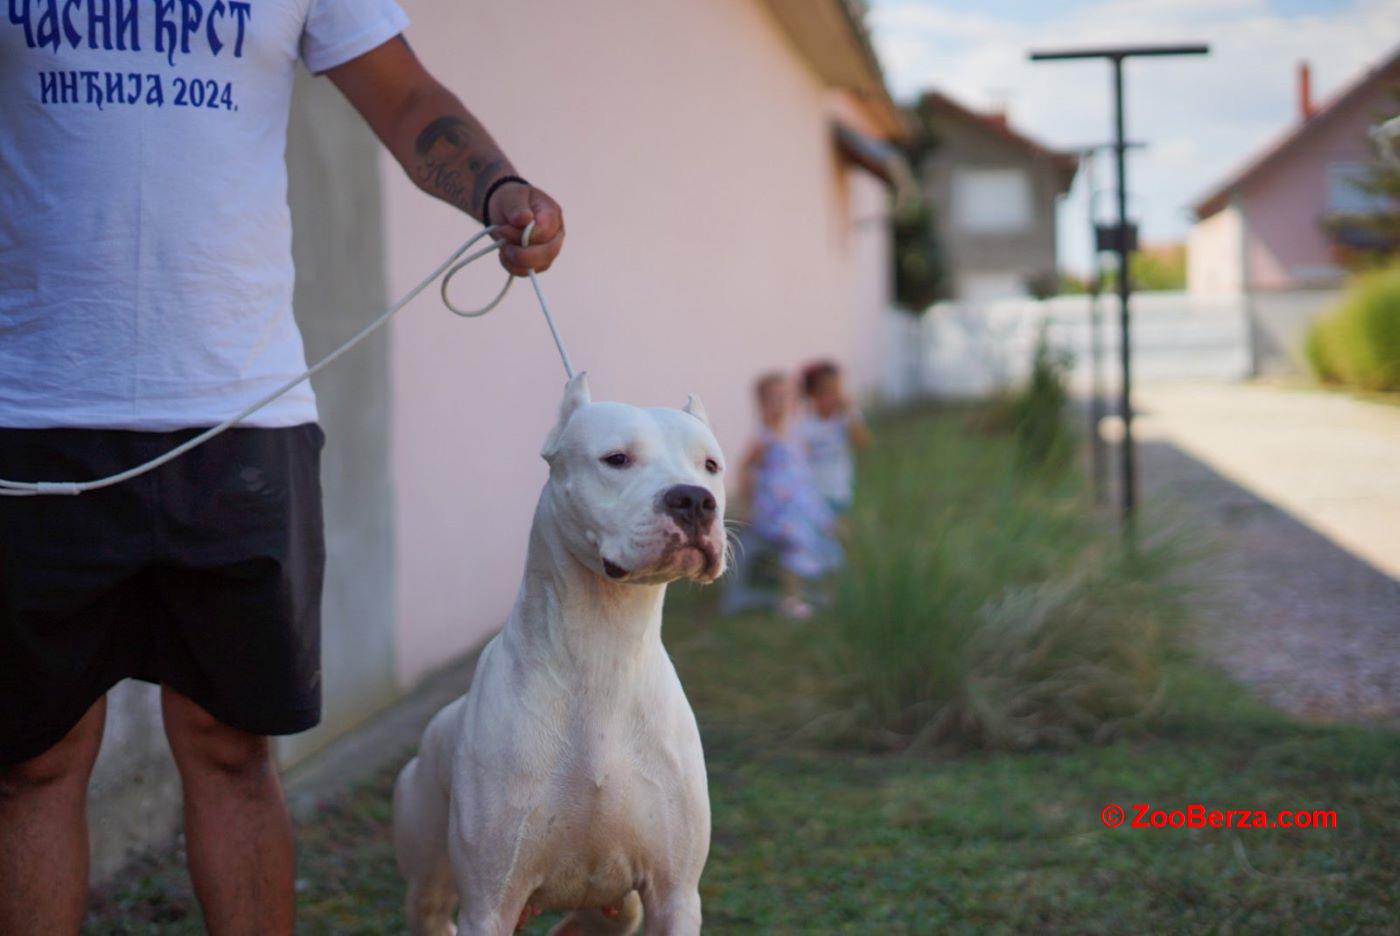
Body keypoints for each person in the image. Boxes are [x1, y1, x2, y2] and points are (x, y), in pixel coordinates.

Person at [0, 2, 564, 931]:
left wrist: (499, 188)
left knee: (230, 748)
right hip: (33, 416)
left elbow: (408, 95)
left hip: (243, 419)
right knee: (31, 762)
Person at [738, 373, 842, 620]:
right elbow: (746, 470)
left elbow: (801, 470)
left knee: (826, 530)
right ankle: (791, 597)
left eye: (785, 397)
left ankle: (819, 588)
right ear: (762, 404)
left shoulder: (794, 434)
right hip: (775, 509)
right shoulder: (763, 437)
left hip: (801, 503)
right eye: (774, 398)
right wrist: (747, 506)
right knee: (795, 536)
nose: (781, 404)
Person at [796, 360, 872, 517]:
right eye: (827, 391)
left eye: (838, 389)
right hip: (812, 493)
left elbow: (863, 442)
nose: (835, 396)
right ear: (813, 394)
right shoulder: (804, 422)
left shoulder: (846, 417)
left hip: (839, 491)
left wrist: (850, 413)